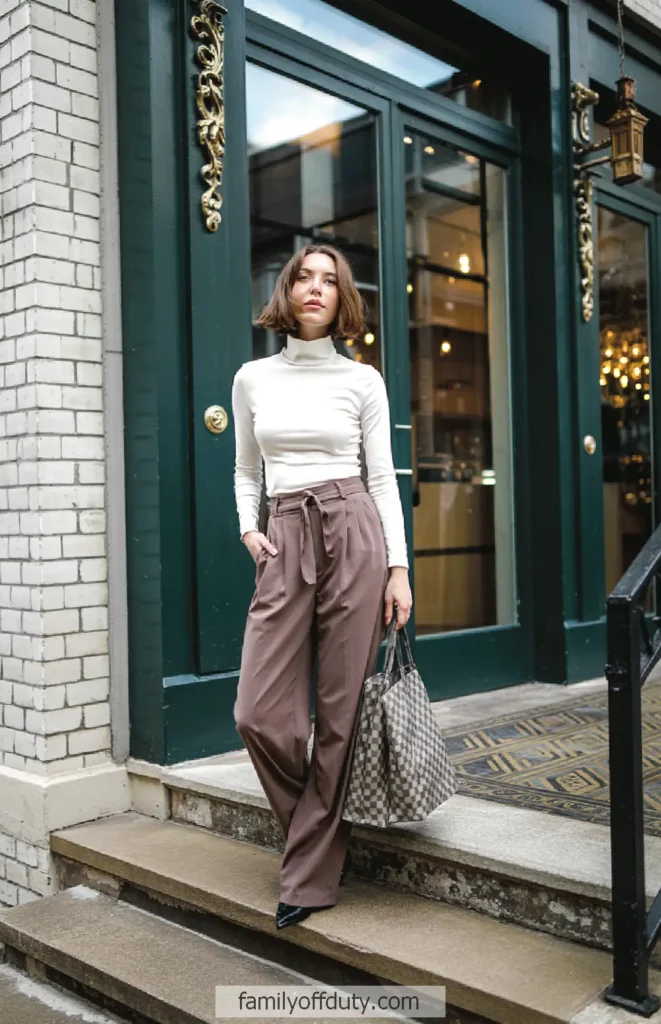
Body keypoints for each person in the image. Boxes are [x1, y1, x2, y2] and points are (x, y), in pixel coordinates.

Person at [231, 243, 412, 931]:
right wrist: (247, 529)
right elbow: (248, 467)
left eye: (329, 280)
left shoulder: (361, 380)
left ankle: (307, 876)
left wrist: (398, 568)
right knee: (258, 711)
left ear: (342, 299)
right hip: (283, 534)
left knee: (339, 714)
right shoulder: (252, 377)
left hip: (352, 528)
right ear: (286, 290)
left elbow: (381, 477)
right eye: (303, 277)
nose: (315, 288)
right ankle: (321, 831)